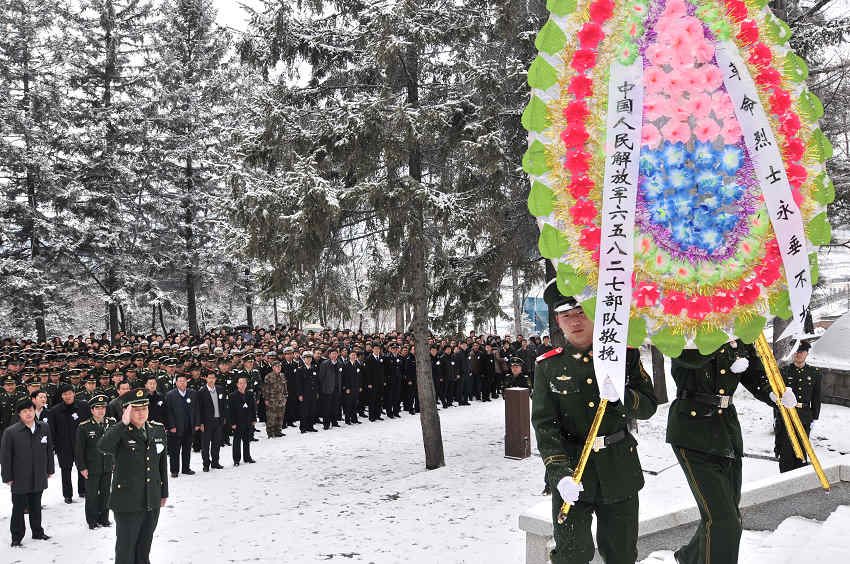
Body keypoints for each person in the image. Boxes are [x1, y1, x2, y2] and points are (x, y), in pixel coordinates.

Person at [531, 279, 658, 564]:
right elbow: (545, 426)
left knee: (621, 553)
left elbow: (649, 405)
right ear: (558, 321)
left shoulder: (623, 356)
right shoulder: (549, 366)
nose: (574, 321)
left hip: (619, 468)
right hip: (573, 471)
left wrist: (623, 397)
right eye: (566, 316)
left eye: (580, 312)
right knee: (572, 554)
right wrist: (559, 474)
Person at [666, 338, 796, 564]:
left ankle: (689, 557)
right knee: (724, 520)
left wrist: (773, 394)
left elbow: (756, 374)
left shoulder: (740, 331)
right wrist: (721, 342)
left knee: (726, 512)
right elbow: (687, 358)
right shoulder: (685, 323)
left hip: (726, 431)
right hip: (692, 431)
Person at [98, 389, 168, 564]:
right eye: (135, 409)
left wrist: (163, 492)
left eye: (144, 408)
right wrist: (123, 423)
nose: (141, 413)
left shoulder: (157, 430)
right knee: (126, 549)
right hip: (127, 501)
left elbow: (161, 465)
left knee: (144, 547)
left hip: (151, 498)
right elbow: (103, 446)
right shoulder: (120, 432)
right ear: (126, 411)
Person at [1, 397, 54, 547]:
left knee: (36, 505)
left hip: (38, 474)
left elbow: (49, 450)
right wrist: (7, 476)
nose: (28, 414)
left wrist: (50, 469)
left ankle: (37, 531)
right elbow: (5, 457)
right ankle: (16, 536)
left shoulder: (44, 427)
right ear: (19, 414)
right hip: (19, 477)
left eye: (30, 410)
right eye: (24, 412)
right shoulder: (11, 432)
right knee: (18, 508)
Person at [775, 340, 822, 473]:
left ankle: (798, 479)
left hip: (805, 417)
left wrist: (815, 418)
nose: (798, 354)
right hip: (787, 416)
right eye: (796, 352)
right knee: (786, 451)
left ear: (807, 353)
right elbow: (778, 397)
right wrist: (776, 417)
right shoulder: (784, 372)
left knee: (802, 450)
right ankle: (784, 479)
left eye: (801, 352)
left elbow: (816, 398)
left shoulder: (814, 373)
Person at [75, 393, 115, 529]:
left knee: (105, 493)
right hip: (91, 466)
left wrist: (115, 461)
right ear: (92, 410)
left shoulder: (111, 423)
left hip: (108, 464)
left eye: (103, 408)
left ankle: (104, 518)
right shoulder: (84, 426)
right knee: (91, 495)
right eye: (97, 408)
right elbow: (79, 450)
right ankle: (92, 521)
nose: (100, 411)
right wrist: (82, 467)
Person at [49, 383, 90, 503]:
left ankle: (83, 490)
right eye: (65, 394)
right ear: (62, 396)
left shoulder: (83, 406)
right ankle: (67, 495)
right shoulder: (55, 411)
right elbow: (53, 430)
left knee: (82, 467)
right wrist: (55, 446)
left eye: (70, 393)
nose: (68, 396)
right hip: (64, 446)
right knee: (65, 470)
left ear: (74, 393)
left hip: (81, 444)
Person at [194, 371, 228, 471]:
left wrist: (224, 417)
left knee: (216, 443)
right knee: (205, 445)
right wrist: (200, 423)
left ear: (215, 379)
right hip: (206, 422)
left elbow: (223, 405)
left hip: (218, 421)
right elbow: (199, 409)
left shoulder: (220, 389)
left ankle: (215, 462)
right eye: (209, 378)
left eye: (213, 378)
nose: (211, 380)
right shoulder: (201, 392)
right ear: (206, 379)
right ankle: (206, 464)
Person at [165, 374, 196, 477]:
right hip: (175, 428)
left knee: (187, 450)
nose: (182, 383)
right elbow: (168, 412)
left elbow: (196, 410)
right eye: (180, 381)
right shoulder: (170, 395)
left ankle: (186, 468)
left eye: (184, 381)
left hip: (188, 427)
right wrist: (171, 426)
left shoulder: (192, 393)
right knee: (175, 451)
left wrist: (196, 423)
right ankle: (174, 470)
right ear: (176, 383)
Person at [229, 376, 257, 466]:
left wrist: (254, 419)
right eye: (240, 383)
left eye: (244, 383)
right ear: (237, 385)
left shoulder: (250, 394)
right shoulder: (233, 396)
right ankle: (236, 460)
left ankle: (247, 457)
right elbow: (231, 411)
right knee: (237, 441)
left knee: (246, 440)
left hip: (248, 421)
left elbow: (253, 407)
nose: (242, 385)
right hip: (237, 422)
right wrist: (232, 423)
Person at [263, 359, 287, 438]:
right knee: (271, 417)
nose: (279, 368)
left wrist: (285, 396)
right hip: (272, 399)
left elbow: (285, 387)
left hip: (281, 399)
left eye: (280, 366)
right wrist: (266, 399)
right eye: (277, 366)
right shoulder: (268, 376)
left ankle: (278, 431)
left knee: (280, 416)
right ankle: (270, 432)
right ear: (273, 367)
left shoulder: (282, 375)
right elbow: (266, 389)